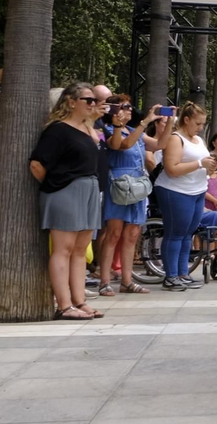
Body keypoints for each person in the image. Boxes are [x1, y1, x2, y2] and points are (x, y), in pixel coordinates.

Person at [30, 84, 106, 320]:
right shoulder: (57, 130)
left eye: (94, 100)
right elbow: (37, 164)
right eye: (88, 100)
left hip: (89, 188)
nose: (93, 104)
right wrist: (57, 185)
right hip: (66, 190)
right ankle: (64, 304)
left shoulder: (86, 128)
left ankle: (79, 300)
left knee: (81, 249)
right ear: (72, 101)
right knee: (63, 248)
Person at [96, 97, 161, 296]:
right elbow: (120, 146)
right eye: (124, 107)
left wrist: (168, 123)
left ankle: (127, 280)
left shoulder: (134, 131)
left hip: (138, 185)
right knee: (114, 233)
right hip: (119, 184)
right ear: (113, 111)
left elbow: (160, 144)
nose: (129, 110)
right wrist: (145, 122)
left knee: (132, 234)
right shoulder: (107, 130)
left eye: (129, 106)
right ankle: (105, 280)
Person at [154, 103, 217, 293]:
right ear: (186, 120)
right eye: (197, 123)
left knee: (188, 233)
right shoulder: (176, 138)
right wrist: (199, 163)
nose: (200, 127)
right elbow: (172, 169)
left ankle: (183, 273)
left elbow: (203, 163)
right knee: (175, 233)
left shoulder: (198, 139)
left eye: (203, 124)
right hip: (176, 191)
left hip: (197, 190)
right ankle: (171, 275)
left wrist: (210, 166)